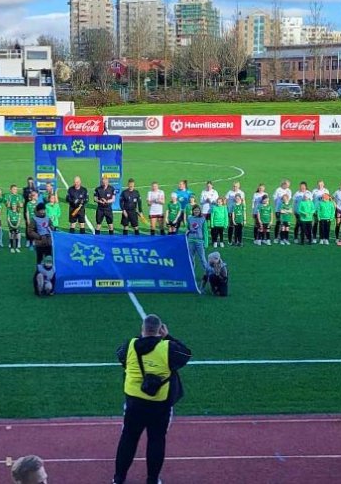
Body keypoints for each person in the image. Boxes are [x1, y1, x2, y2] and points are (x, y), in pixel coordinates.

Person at [113, 315, 192, 484]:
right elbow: (186, 354)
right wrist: (168, 336)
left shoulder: (130, 345)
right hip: (160, 403)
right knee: (156, 440)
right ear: (160, 330)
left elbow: (121, 357)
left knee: (128, 438)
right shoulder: (168, 347)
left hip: (134, 401)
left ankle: (119, 478)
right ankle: (152, 480)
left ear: (143, 328)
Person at [186, 205, 209, 275]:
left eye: (198, 210)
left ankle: (208, 274)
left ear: (200, 211)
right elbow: (187, 228)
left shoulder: (203, 219)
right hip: (191, 241)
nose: (196, 211)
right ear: (193, 211)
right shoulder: (189, 218)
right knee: (191, 259)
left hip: (200, 242)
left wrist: (206, 243)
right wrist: (187, 232)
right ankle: (191, 274)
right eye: (195, 210)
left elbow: (205, 231)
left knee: (202, 258)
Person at [6, 184, 25, 253]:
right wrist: (10, 202)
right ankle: (10, 243)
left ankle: (18, 243)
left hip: (17, 214)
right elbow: (7, 205)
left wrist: (18, 204)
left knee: (17, 229)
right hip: (10, 214)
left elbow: (22, 205)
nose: (15, 190)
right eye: (14, 189)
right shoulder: (8, 196)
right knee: (10, 230)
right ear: (10, 190)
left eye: (16, 189)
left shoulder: (19, 196)